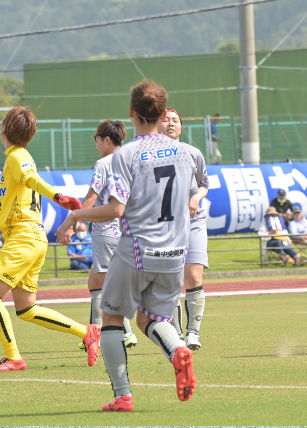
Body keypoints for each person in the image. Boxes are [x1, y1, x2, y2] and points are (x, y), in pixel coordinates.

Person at [57, 80, 197, 411]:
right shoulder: (187, 153)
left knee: (111, 319)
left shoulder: (128, 155)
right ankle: (178, 350)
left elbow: (116, 209)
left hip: (136, 250)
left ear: (131, 112)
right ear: (164, 114)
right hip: (175, 253)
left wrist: (75, 215)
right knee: (151, 320)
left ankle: (123, 395)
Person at [0, 107, 99, 372]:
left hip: (23, 237)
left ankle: (14, 358)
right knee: (26, 308)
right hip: (32, 238)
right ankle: (85, 333)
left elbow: (32, 179)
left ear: (3, 130)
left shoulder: (16, 157)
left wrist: (57, 195)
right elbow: (2, 206)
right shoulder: (20, 156)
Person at [73, 120, 137, 350]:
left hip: (105, 229)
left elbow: (91, 197)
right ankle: (94, 333)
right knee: (95, 280)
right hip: (125, 228)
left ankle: (126, 332)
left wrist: (74, 220)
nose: (97, 145)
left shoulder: (104, 163)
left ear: (107, 140)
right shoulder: (131, 158)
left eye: (98, 140)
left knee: (108, 283)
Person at [159, 108, 209, 351]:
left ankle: (193, 334)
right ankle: (177, 335)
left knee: (194, 277)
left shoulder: (193, 153)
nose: (170, 123)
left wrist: (196, 198)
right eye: (165, 119)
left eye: (175, 120)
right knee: (172, 280)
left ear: (181, 127)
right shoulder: (148, 155)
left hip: (194, 221)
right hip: (166, 224)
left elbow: (204, 184)